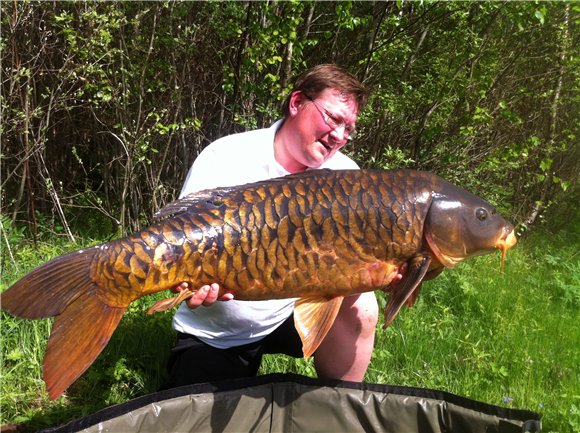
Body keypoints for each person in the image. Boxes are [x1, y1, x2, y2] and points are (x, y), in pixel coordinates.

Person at [165, 64, 395, 389]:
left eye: (349, 128)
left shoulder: (346, 175)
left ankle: (342, 402)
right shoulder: (227, 155)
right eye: (332, 119)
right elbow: (178, 241)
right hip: (223, 326)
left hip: (296, 311)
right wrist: (185, 278)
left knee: (362, 304)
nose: (340, 137)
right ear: (297, 102)